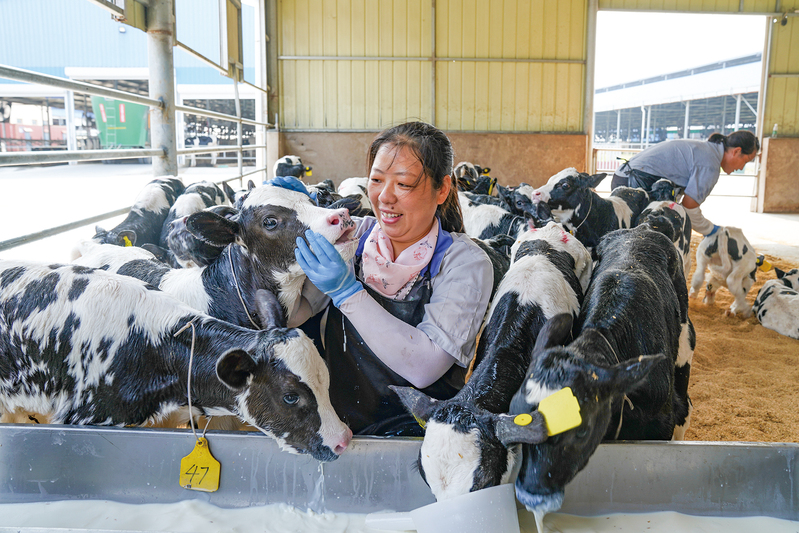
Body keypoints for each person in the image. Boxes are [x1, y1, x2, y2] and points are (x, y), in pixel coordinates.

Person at [269, 121, 494, 437]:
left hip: (424, 439)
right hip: (341, 429)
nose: (384, 197)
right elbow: (297, 312)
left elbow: (424, 367)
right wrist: (287, 219)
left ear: (442, 189)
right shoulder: (354, 236)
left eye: (403, 184)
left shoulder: (463, 262)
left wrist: (347, 293)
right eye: (376, 180)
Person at [610, 131, 759, 236]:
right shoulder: (710, 164)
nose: (741, 167)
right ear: (736, 151)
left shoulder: (707, 151)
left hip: (625, 177)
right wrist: (712, 231)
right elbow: (689, 208)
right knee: (639, 239)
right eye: (745, 161)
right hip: (636, 183)